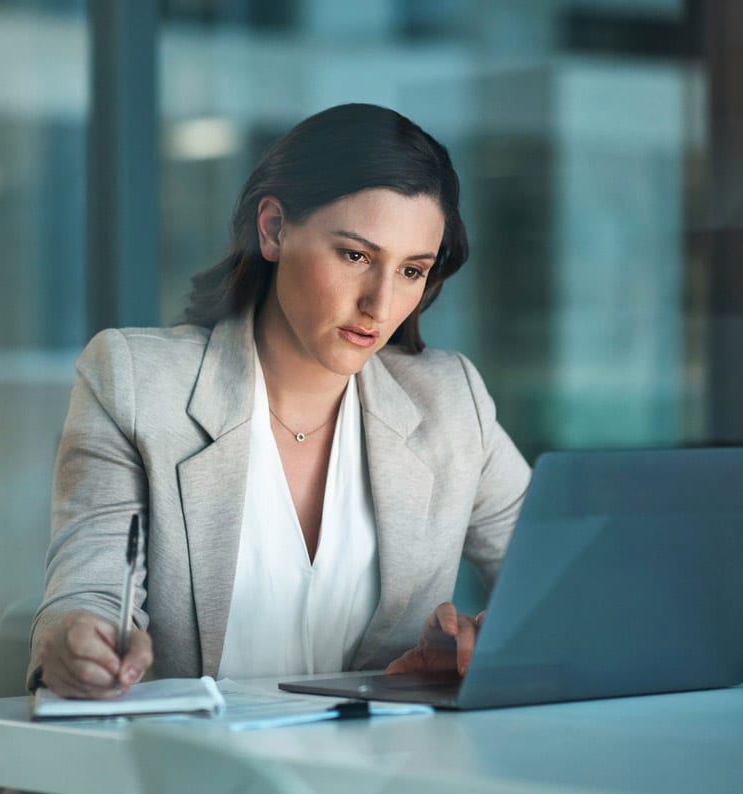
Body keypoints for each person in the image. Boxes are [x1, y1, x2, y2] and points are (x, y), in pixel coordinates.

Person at [28, 103, 530, 699]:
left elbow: (569, 594)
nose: (380, 303)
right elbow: (84, 600)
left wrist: (490, 642)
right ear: (273, 229)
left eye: (412, 270)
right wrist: (77, 644)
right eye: (356, 256)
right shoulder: (139, 384)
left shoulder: (451, 402)